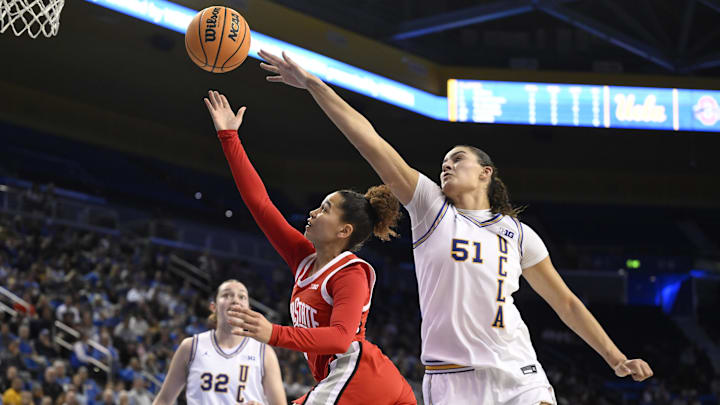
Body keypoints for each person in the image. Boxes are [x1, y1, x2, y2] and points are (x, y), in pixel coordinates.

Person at [256, 50, 654, 405]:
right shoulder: (432, 209)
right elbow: (372, 143)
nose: (445, 165)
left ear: (485, 172)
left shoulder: (518, 234)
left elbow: (566, 303)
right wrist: (313, 85)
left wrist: (615, 357)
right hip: (451, 380)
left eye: (456, 159)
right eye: (443, 161)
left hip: (517, 370)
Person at [204, 90, 416, 405]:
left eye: (325, 209)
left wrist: (273, 333)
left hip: (360, 374)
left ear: (344, 230)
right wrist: (229, 136)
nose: (314, 213)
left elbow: (341, 338)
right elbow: (260, 204)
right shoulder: (304, 258)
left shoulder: (349, 274)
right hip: (344, 380)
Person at [152, 279, 286, 405]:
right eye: (227, 295)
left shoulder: (264, 352)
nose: (235, 300)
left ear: (249, 309)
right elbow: (164, 400)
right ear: (213, 307)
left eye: (242, 297)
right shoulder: (191, 347)